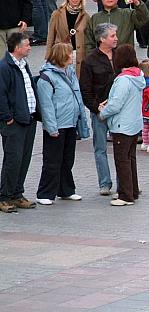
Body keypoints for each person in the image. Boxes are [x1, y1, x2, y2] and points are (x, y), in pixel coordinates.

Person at [35, 43, 84, 206]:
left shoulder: (69, 72)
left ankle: (66, 190)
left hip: (70, 122)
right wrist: (51, 127)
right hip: (57, 124)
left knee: (67, 158)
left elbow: (77, 95)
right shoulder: (47, 77)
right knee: (52, 160)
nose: (72, 56)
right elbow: (46, 104)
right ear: (62, 56)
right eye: (70, 54)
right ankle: (45, 192)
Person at [98, 45, 143, 206]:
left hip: (121, 125)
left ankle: (125, 195)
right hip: (134, 124)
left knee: (122, 160)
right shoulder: (138, 76)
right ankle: (133, 190)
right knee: (130, 159)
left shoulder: (123, 79)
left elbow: (116, 104)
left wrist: (103, 113)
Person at [0, 33, 38, 213]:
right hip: (13, 122)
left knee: (24, 159)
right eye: (27, 45)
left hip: (28, 118)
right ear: (17, 48)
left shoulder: (23, 65)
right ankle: (4, 197)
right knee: (12, 160)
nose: (30, 47)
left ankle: (17, 193)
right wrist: (7, 117)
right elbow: (1, 95)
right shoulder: (5, 67)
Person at [79, 23, 117, 196]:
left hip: (119, 111)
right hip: (100, 112)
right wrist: (96, 107)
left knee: (122, 149)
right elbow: (85, 90)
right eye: (112, 36)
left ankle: (125, 182)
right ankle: (105, 182)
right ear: (102, 39)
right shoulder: (90, 60)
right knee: (100, 148)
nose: (116, 38)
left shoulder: (120, 55)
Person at [84, 0, 149, 52]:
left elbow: (145, 17)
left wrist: (136, 2)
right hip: (101, 59)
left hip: (124, 57)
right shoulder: (95, 18)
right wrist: (92, 57)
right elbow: (89, 42)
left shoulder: (128, 14)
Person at [46, 0, 89, 77]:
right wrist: (48, 56)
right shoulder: (57, 14)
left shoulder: (86, 17)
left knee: (77, 81)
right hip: (61, 53)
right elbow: (51, 36)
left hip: (78, 55)